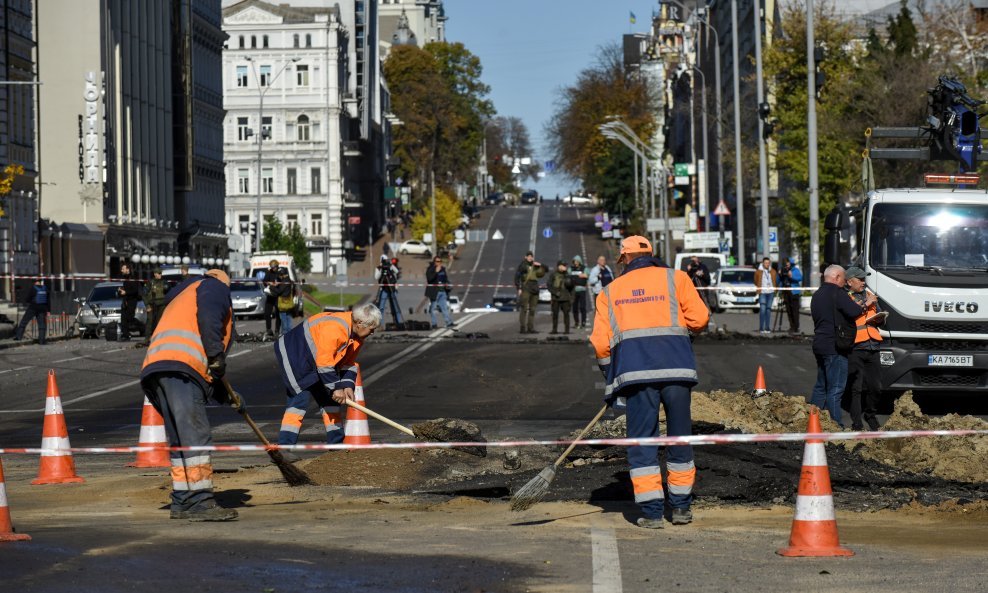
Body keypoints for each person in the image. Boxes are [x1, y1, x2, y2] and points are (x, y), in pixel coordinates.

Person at [590, 236, 709, 529]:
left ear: (625, 259)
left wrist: (610, 377)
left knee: (643, 442)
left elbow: (601, 344)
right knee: (679, 438)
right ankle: (681, 507)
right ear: (651, 254)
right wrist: (682, 337)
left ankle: (653, 512)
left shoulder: (610, 291)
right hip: (677, 371)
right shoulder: (676, 278)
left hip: (636, 376)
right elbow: (700, 318)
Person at [140, 269, 238, 521]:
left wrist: (228, 396)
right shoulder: (213, 287)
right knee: (195, 437)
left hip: (158, 367)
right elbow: (209, 317)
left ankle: (183, 499)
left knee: (181, 440)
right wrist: (216, 355)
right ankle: (200, 501)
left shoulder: (182, 295)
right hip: (182, 368)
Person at [275, 303, 382, 457]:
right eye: (372, 328)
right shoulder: (336, 328)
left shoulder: (357, 337)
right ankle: (284, 449)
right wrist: (336, 388)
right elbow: (324, 363)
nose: (372, 332)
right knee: (298, 403)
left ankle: (336, 446)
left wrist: (347, 386)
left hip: (317, 361)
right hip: (296, 356)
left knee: (330, 402)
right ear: (359, 323)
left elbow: (347, 363)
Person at [809, 265, 875, 428]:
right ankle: (835, 425)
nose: (845, 282)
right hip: (835, 346)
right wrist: (867, 303)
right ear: (837, 277)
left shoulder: (817, 294)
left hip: (820, 344)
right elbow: (854, 311)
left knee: (821, 386)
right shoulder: (838, 293)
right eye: (844, 279)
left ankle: (812, 421)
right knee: (836, 388)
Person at [844, 266, 883, 430]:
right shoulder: (846, 297)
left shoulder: (869, 295)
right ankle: (857, 422)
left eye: (863, 279)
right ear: (849, 282)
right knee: (856, 388)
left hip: (873, 345)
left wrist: (880, 318)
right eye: (859, 279)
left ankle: (870, 414)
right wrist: (867, 304)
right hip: (856, 347)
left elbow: (878, 316)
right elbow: (850, 315)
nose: (863, 282)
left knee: (876, 387)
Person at [514, 251, 546, 334]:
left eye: (531, 256)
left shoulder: (535, 265)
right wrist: (518, 288)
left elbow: (546, 269)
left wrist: (540, 265)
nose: (530, 258)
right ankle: (522, 328)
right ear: (525, 257)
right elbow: (517, 276)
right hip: (526, 287)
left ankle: (530, 328)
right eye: (528, 256)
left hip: (534, 287)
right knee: (524, 308)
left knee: (532, 309)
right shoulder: (522, 265)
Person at [14, 278, 50, 345]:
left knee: (24, 322)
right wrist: (48, 310)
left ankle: (18, 337)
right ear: (40, 282)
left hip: (33, 307)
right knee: (42, 325)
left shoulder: (33, 288)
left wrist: (28, 301)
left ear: (35, 282)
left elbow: (27, 299)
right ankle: (42, 340)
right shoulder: (45, 289)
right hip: (43, 308)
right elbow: (48, 301)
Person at [425, 256, 455, 329]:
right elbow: (429, 279)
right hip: (434, 292)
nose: (439, 263)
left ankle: (449, 322)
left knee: (444, 308)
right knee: (433, 308)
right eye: (438, 261)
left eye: (440, 261)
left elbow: (445, 278)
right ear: (434, 262)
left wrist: (447, 284)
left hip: (442, 291)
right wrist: (436, 272)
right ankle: (434, 324)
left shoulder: (443, 269)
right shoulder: (430, 269)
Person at [375, 255, 403, 328]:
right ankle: (380, 324)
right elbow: (376, 277)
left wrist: (391, 265)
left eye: (386, 260)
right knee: (381, 307)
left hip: (392, 289)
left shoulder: (390, 267)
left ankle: (399, 322)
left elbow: (396, 271)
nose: (385, 262)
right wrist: (381, 269)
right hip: (384, 289)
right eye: (384, 261)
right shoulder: (379, 268)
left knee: (395, 306)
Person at [547, 260, 575, 334]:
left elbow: (572, 287)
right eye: (563, 266)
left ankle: (567, 330)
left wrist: (572, 298)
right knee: (555, 314)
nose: (565, 267)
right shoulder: (553, 274)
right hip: (556, 297)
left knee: (566, 314)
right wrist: (555, 292)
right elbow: (549, 285)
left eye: (565, 266)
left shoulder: (568, 275)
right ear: (559, 266)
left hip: (565, 297)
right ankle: (554, 329)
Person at [141, 268, 168, 345]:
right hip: (152, 304)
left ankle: (160, 338)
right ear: (155, 274)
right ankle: (147, 338)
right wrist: (147, 305)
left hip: (161, 304)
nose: (160, 275)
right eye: (158, 273)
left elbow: (168, 292)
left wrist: (167, 287)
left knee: (160, 321)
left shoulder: (164, 282)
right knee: (150, 321)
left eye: (160, 273)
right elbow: (144, 294)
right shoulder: (150, 282)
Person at [117, 263, 142, 341]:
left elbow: (135, 290)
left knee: (129, 318)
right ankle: (125, 335)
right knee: (123, 318)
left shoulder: (133, 278)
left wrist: (126, 292)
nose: (121, 270)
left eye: (123, 269)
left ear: (128, 269)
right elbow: (126, 289)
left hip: (132, 301)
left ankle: (142, 328)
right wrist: (120, 291)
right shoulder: (125, 278)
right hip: (125, 301)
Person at [753, 257, 777, 334]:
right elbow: (755, 281)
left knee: (768, 310)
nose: (767, 264)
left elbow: (775, 280)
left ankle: (767, 327)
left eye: (768, 263)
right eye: (765, 263)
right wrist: (759, 287)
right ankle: (761, 328)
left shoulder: (773, 271)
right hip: (762, 292)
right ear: (763, 263)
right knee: (762, 309)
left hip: (771, 292)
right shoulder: (758, 271)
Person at [779, 258, 803, 333]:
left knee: (795, 310)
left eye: (788, 264)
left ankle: (796, 327)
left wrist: (791, 276)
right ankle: (791, 326)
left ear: (791, 264)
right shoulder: (783, 270)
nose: (787, 266)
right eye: (786, 265)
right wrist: (779, 275)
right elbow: (780, 281)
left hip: (794, 292)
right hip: (786, 292)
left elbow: (800, 278)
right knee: (789, 310)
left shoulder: (795, 270)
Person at [261, 259, 282, 338]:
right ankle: (269, 329)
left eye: (274, 267)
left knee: (278, 314)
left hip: (277, 296)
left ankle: (277, 330)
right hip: (270, 295)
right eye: (272, 267)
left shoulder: (280, 272)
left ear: (277, 266)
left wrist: (277, 284)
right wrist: (267, 283)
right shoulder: (269, 272)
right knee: (267, 313)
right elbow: (264, 281)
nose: (273, 269)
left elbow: (284, 281)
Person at [272, 268, 295, 336]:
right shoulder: (289, 280)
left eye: (279, 275)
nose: (279, 277)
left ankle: (285, 334)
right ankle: (290, 333)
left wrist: (272, 287)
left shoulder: (284, 281)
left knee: (283, 319)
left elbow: (279, 291)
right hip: (289, 302)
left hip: (283, 303)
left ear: (282, 274)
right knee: (288, 318)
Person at [569, 255, 589, 328]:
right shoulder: (571, 268)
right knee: (575, 307)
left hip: (582, 290)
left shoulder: (584, 268)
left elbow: (587, 275)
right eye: (574, 261)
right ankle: (576, 322)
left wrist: (584, 275)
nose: (576, 263)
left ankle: (583, 322)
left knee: (582, 307)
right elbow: (568, 274)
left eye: (577, 261)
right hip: (574, 290)